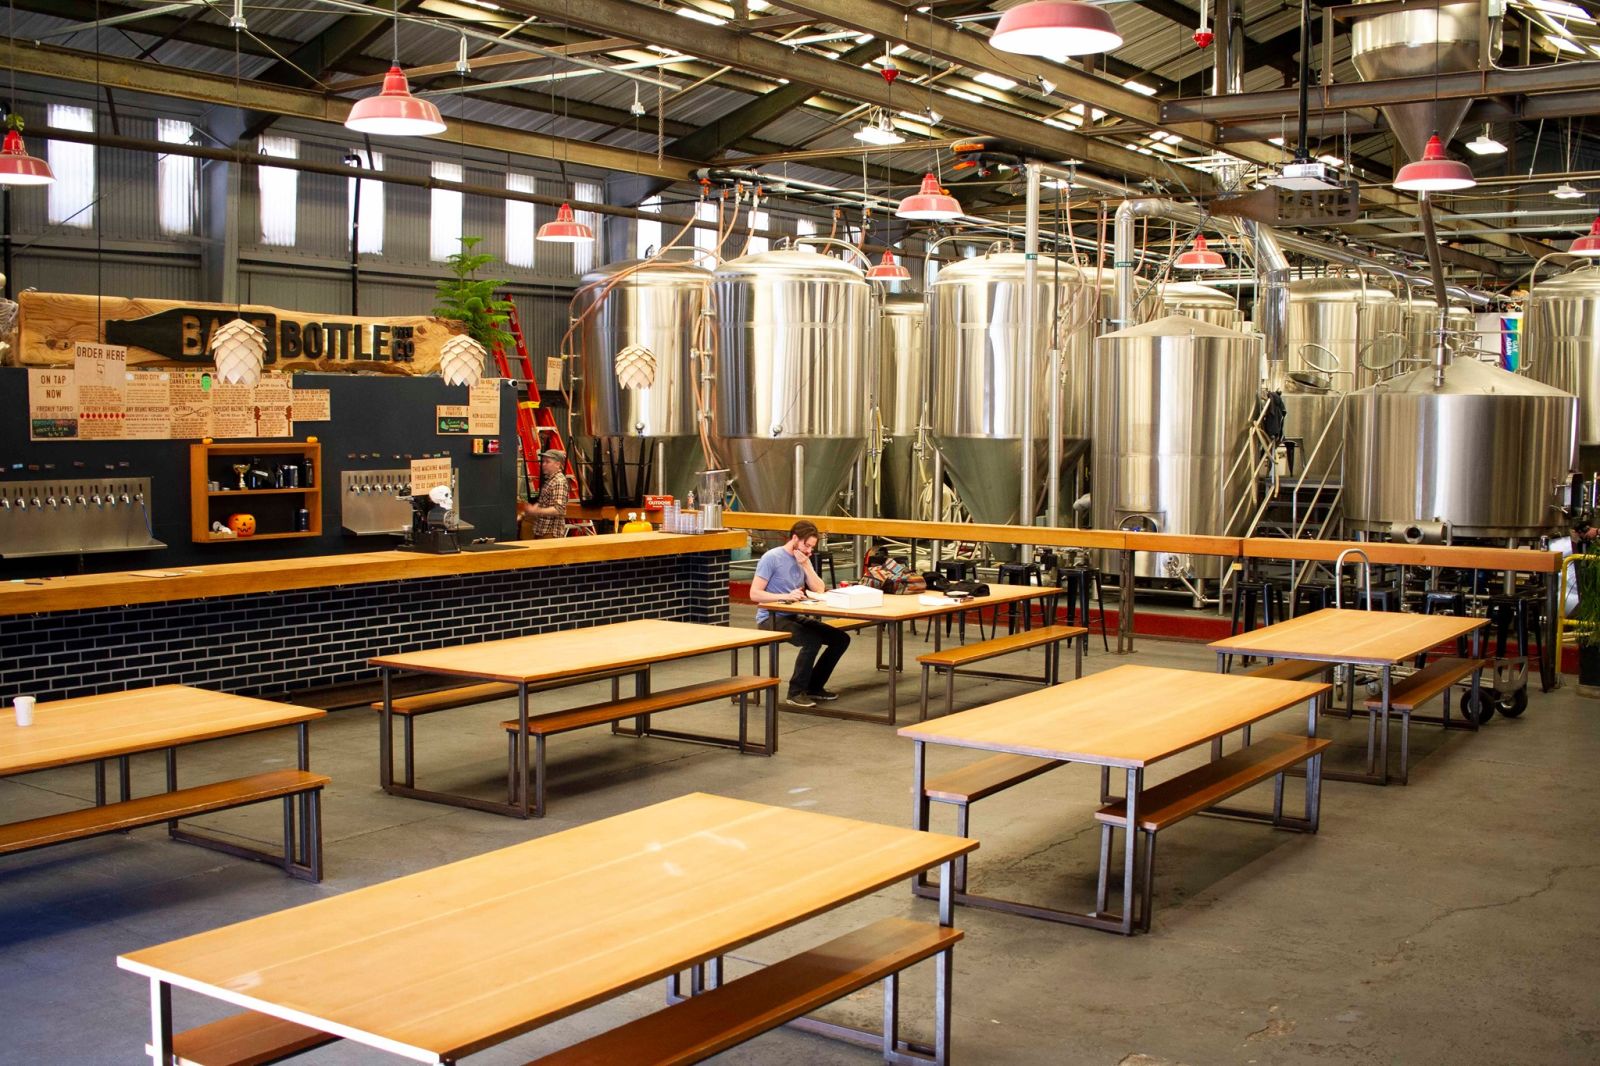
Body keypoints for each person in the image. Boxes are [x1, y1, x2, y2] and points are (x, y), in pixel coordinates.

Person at [750, 520, 850, 708]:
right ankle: (795, 692)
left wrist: (806, 565)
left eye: (812, 547)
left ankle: (814, 686)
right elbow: (754, 594)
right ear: (795, 538)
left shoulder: (803, 559)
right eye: (807, 545)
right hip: (770, 617)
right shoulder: (772, 558)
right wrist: (786, 596)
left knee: (840, 639)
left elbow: (819, 589)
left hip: (792, 615)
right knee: (812, 640)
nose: (809, 550)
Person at [518, 448, 570, 539]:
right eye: (543, 461)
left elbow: (558, 510)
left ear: (557, 464)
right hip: (542, 530)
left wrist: (536, 511)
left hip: (550, 532)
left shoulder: (558, 481)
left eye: (547, 462)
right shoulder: (550, 480)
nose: (543, 464)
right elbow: (545, 502)